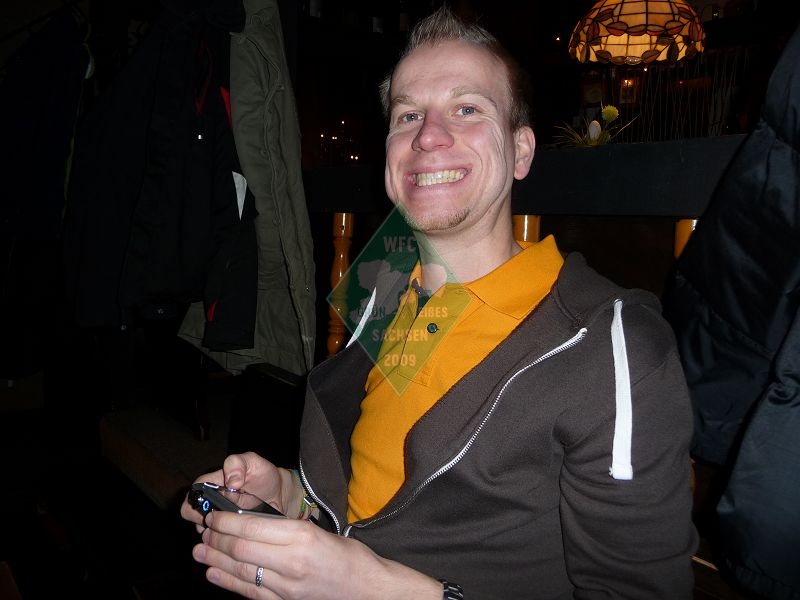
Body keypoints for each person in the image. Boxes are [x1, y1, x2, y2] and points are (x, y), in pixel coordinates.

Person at [180, 6, 698, 598]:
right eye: (408, 115)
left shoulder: (612, 346)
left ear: (522, 151)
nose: (428, 136)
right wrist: (295, 496)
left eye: (467, 109)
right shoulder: (383, 283)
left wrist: (372, 587)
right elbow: (378, 479)